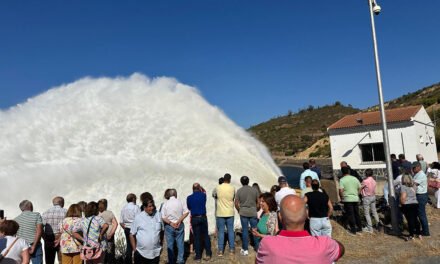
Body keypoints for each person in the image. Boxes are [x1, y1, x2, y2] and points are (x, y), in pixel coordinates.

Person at [256, 195, 344, 263]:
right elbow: (341, 249)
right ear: (306, 215)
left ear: (280, 217)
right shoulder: (325, 244)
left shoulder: (267, 244)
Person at [129, 198, 162, 264]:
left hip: (155, 253)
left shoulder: (158, 215)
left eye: (153, 206)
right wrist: (135, 250)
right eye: (150, 206)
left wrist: (161, 244)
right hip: (141, 254)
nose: (152, 208)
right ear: (144, 207)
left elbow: (162, 231)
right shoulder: (138, 217)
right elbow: (131, 234)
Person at [161, 189, 189, 264]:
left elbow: (163, 217)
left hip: (169, 226)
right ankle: (180, 260)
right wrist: (179, 221)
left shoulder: (165, 204)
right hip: (179, 224)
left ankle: (171, 261)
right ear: (175, 194)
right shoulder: (180, 202)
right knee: (180, 243)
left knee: (170, 244)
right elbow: (186, 212)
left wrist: (171, 223)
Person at [187, 183, 212, 262]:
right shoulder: (203, 195)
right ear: (199, 188)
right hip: (203, 217)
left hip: (194, 218)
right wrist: (201, 187)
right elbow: (204, 191)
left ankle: (198, 257)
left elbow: (189, 207)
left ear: (192, 189)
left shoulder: (189, 198)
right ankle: (208, 254)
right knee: (206, 236)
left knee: (197, 237)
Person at [235, 176, 259, 256]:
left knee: (245, 230)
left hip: (243, 212)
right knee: (255, 230)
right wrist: (257, 209)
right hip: (252, 211)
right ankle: (257, 248)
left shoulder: (239, 191)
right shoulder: (254, 190)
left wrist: (239, 210)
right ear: (248, 181)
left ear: (241, 182)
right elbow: (258, 202)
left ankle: (245, 249)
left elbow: (236, 203)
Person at [14, 200, 43, 264]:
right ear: (30, 206)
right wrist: (34, 246)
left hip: (21, 246)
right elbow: (39, 230)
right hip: (35, 245)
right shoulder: (36, 215)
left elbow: (13, 236)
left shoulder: (15, 219)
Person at [214, 173, 236, 256]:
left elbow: (214, 195)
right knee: (230, 231)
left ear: (223, 179)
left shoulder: (218, 187)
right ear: (230, 179)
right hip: (230, 212)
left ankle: (220, 251)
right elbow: (233, 197)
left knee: (221, 232)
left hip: (220, 213)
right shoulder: (232, 188)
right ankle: (231, 249)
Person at [42, 196, 67, 264]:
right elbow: (68, 226)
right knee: (62, 260)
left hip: (48, 237)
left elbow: (39, 227)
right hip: (62, 237)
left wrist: (45, 238)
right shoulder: (66, 212)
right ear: (62, 203)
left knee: (49, 261)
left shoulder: (45, 212)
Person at [339, 167, 362, 235]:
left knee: (350, 214)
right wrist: (357, 194)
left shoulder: (342, 180)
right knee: (356, 213)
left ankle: (353, 229)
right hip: (355, 198)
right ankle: (359, 227)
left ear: (342, 172)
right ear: (349, 171)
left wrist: (342, 197)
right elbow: (360, 187)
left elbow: (341, 190)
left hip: (347, 199)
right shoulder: (354, 178)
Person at [400, 173, 421, 241]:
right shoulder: (414, 185)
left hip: (407, 205)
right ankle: (419, 234)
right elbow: (414, 194)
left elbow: (403, 197)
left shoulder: (403, 186)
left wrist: (401, 204)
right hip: (415, 203)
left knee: (410, 221)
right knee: (415, 219)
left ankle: (411, 235)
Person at [120, 193, 140, 264]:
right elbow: (139, 219)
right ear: (133, 199)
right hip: (135, 229)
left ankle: (128, 262)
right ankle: (137, 261)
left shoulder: (123, 208)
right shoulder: (136, 207)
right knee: (136, 246)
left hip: (127, 228)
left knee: (129, 247)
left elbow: (121, 222)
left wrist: (125, 228)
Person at [412, 161, 430, 236]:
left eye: (414, 168)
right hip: (419, 195)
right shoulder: (417, 174)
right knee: (419, 214)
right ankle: (422, 230)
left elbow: (414, 183)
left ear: (419, 167)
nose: (412, 169)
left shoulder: (421, 175)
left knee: (421, 214)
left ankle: (426, 232)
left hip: (421, 196)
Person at [98, 199, 118, 264]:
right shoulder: (110, 213)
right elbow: (115, 224)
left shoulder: (96, 214)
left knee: (101, 254)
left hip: (99, 237)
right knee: (110, 253)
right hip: (109, 236)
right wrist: (111, 234)